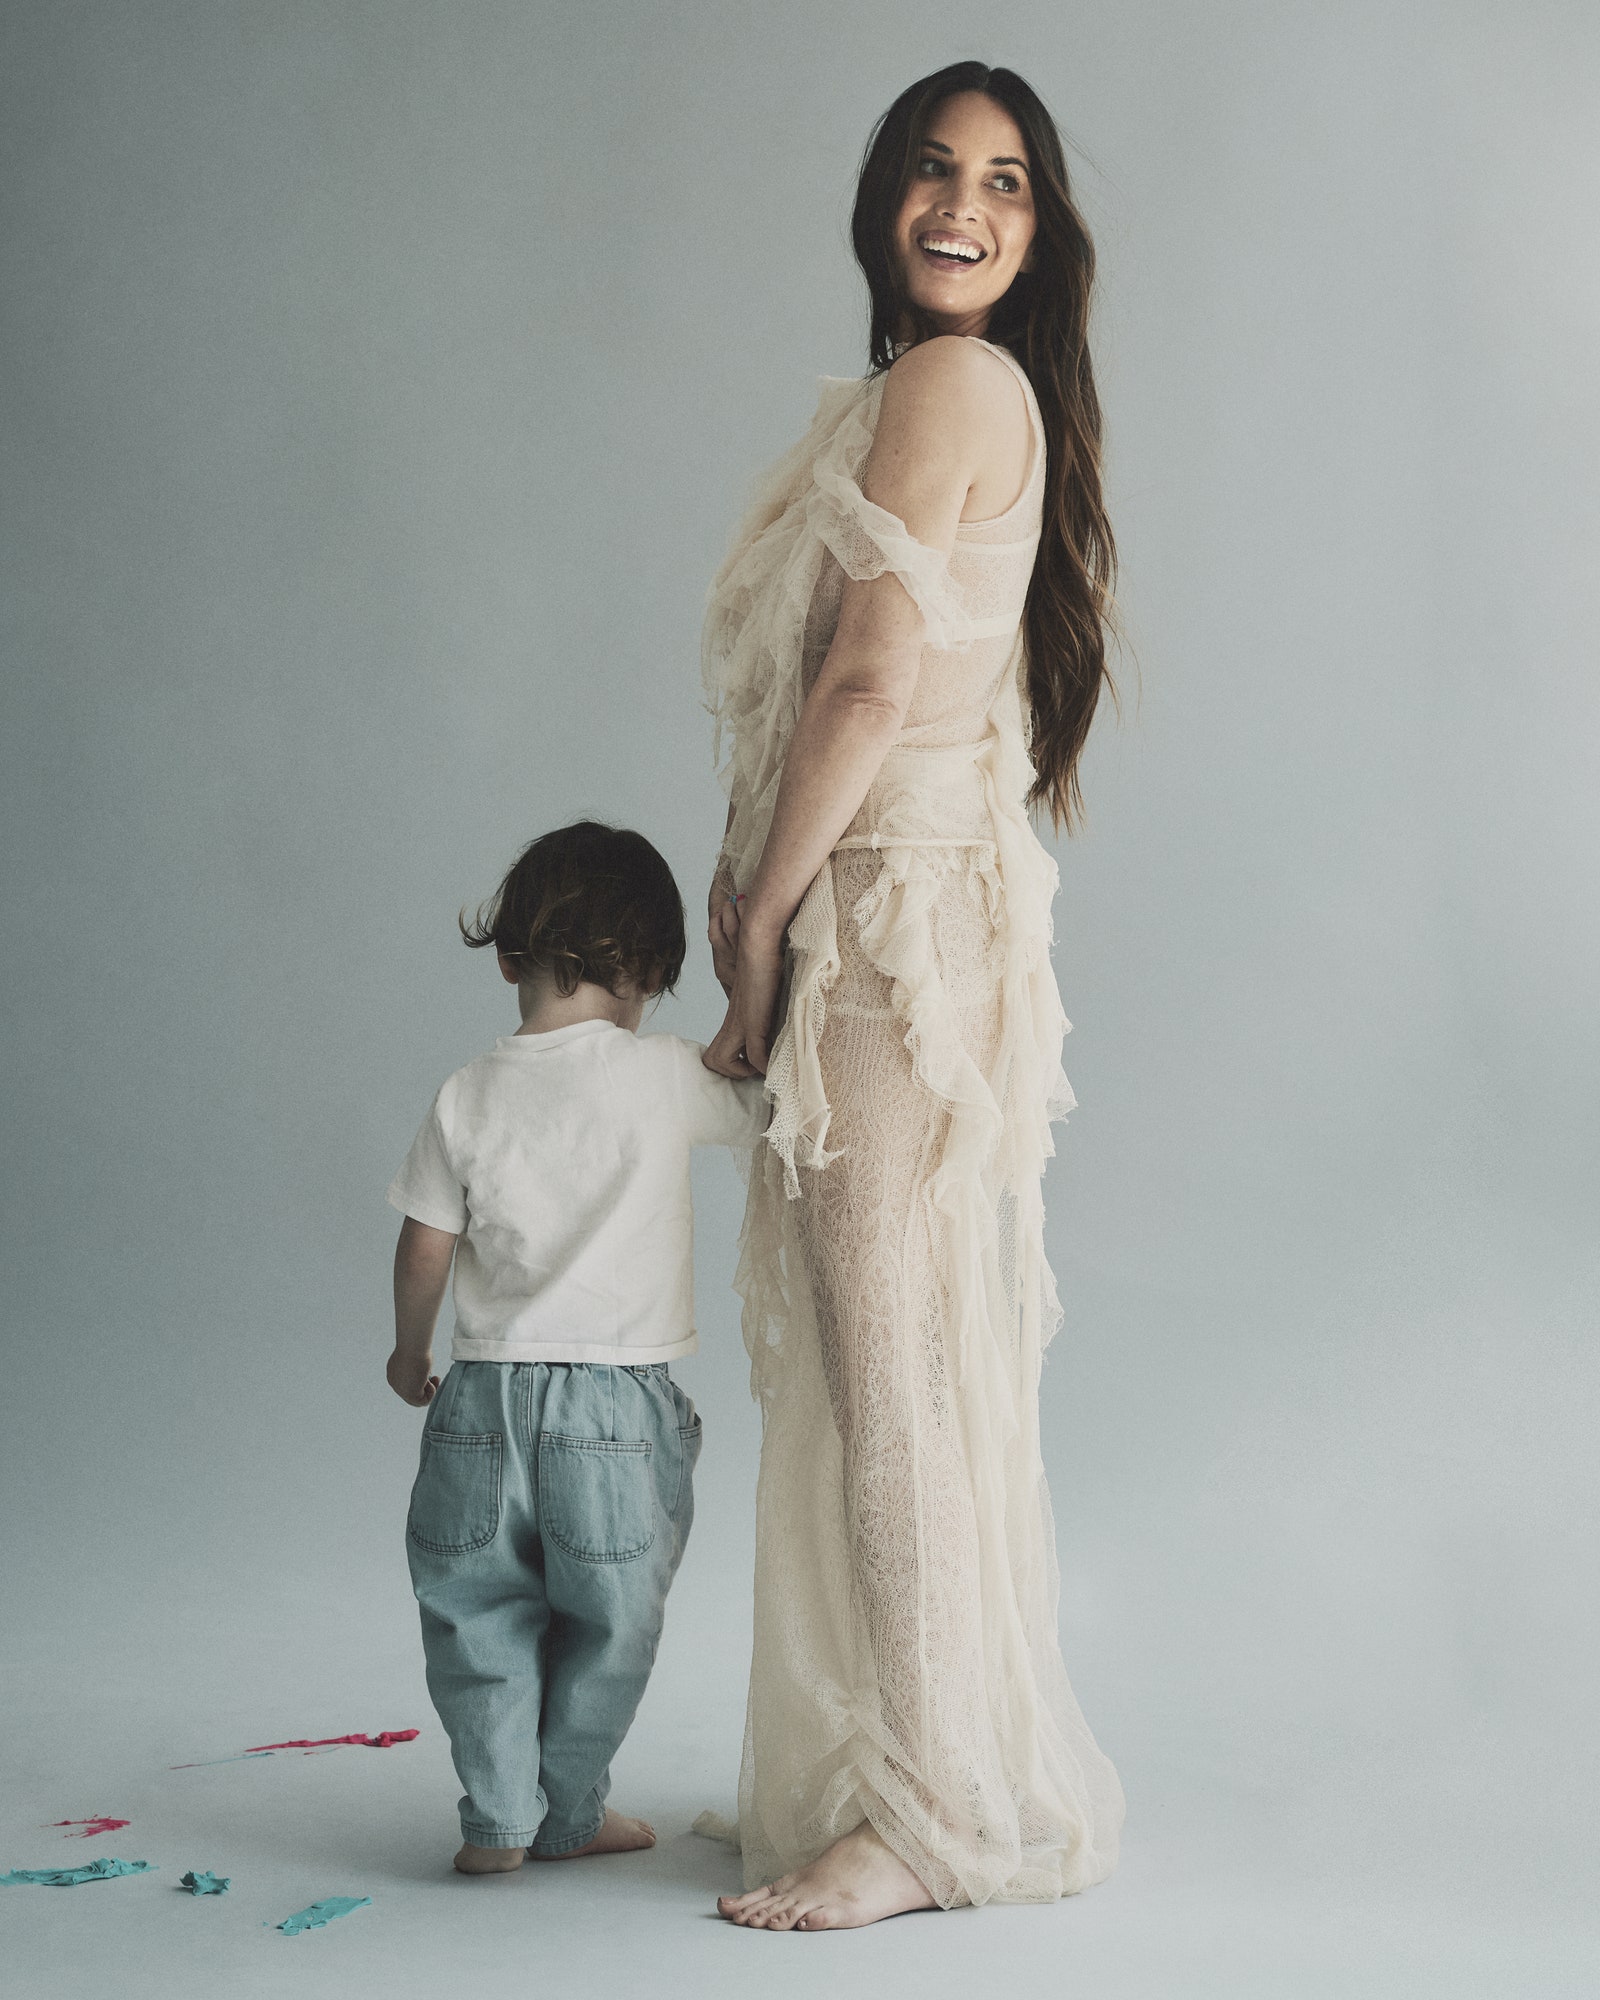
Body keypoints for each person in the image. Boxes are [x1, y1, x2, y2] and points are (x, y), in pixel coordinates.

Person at [701, 64, 1126, 1929]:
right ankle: (911, 1764)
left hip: (883, 923)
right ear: (883, 195)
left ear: (1038, 236)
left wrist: (760, 919)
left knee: (889, 1364)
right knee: (899, 1354)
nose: (965, 207)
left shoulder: (954, 382)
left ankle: (936, 1811)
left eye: (1008, 185)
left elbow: (871, 682)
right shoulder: (934, 389)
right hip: (908, 905)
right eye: (937, 174)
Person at [386, 820, 766, 1876]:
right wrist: (746, 994)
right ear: (649, 973)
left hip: (478, 1398)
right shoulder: (660, 1073)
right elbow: (765, 1087)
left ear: (507, 957)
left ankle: (495, 1814)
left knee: (475, 1608)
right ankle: (567, 1809)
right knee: (609, 1620)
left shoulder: (467, 1090)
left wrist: (407, 1354)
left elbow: (423, 1244)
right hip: (611, 1406)